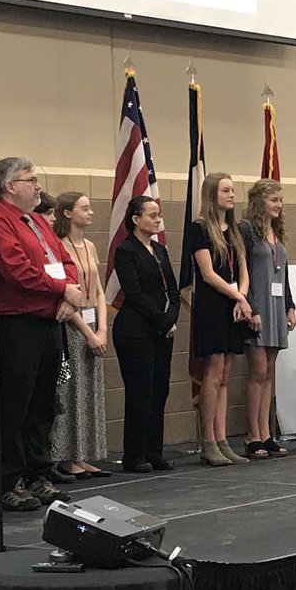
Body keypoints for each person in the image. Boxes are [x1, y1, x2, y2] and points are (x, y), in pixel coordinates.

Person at [0, 156, 80, 510]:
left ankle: (39, 474)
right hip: (15, 325)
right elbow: (17, 271)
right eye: (31, 179)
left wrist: (67, 291)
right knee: (14, 405)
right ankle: (9, 479)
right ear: (10, 186)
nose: (38, 185)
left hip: (48, 320)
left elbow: (66, 262)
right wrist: (62, 290)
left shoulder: (36, 221)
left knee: (42, 404)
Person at [186, 172, 256, 467]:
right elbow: (207, 273)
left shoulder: (238, 229)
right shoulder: (199, 229)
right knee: (212, 374)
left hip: (233, 303)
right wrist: (238, 298)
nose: (231, 195)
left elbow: (243, 269)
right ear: (212, 194)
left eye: (233, 190)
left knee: (226, 373)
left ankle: (223, 438)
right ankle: (209, 441)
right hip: (213, 305)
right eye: (226, 190)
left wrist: (242, 294)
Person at [112, 195, 179, 472]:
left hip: (161, 329)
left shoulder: (160, 250)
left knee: (159, 391)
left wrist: (171, 316)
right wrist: (162, 319)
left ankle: (154, 450)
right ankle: (135, 454)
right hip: (135, 329)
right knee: (140, 392)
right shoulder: (126, 251)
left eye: (158, 215)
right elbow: (135, 292)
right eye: (151, 215)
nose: (157, 219)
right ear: (136, 219)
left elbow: (173, 290)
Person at [50, 192, 110, 477]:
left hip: (92, 325)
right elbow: (65, 296)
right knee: (70, 391)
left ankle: (83, 453)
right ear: (67, 214)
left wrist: (102, 328)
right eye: (84, 208)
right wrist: (88, 332)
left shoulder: (89, 245)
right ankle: (64, 455)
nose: (90, 213)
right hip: (73, 326)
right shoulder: (58, 246)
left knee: (90, 392)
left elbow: (98, 291)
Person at [240, 179, 296, 459]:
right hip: (258, 305)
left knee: (269, 373)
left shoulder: (276, 230)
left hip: (276, 306)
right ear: (259, 201)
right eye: (274, 200)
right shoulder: (247, 230)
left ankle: (266, 432)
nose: (278, 205)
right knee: (258, 371)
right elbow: (243, 271)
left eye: (280, 200)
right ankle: (252, 434)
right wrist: (251, 306)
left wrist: (290, 305)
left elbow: (282, 273)